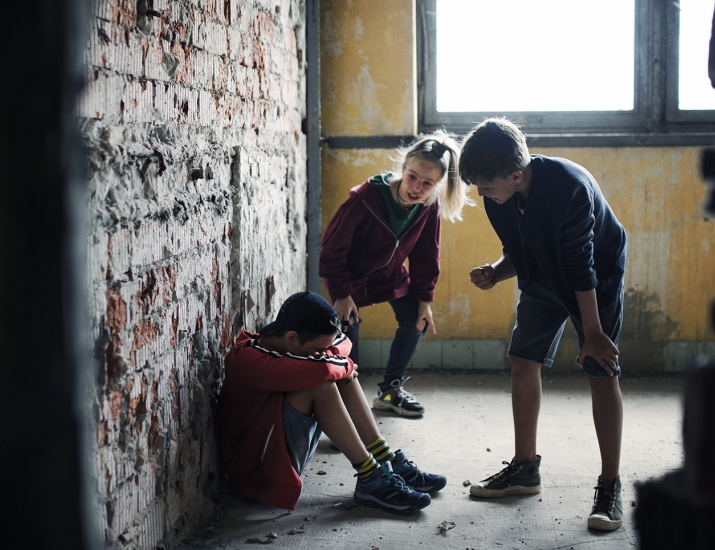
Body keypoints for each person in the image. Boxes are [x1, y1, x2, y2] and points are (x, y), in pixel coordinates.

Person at [459, 118, 628, 531]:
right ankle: (524, 468)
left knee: (600, 371)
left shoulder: (567, 190)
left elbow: (579, 266)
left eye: (486, 186)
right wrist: (498, 272)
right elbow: (522, 245)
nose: (482, 194)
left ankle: (610, 486)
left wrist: (593, 334)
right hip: (543, 276)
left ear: (516, 175)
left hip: (594, 279)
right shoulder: (500, 193)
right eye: (478, 186)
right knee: (523, 359)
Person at [216, 291, 447, 515]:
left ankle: (385, 459)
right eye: (318, 349)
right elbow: (325, 369)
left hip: (277, 451)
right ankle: (370, 478)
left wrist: (338, 363)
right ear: (292, 337)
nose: (322, 353)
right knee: (323, 383)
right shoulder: (249, 360)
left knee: (339, 376)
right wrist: (343, 365)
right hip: (257, 473)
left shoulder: (290, 345)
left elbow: (343, 342)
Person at [319, 131, 472, 417]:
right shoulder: (365, 197)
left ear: (437, 185)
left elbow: (428, 255)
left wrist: (425, 301)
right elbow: (331, 248)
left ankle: (390, 390)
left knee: (417, 320)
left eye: (427, 183)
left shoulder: (428, 205)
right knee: (347, 336)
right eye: (413, 177)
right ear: (402, 169)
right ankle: (346, 406)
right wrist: (341, 293)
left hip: (391, 275)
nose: (417, 187)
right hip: (351, 279)